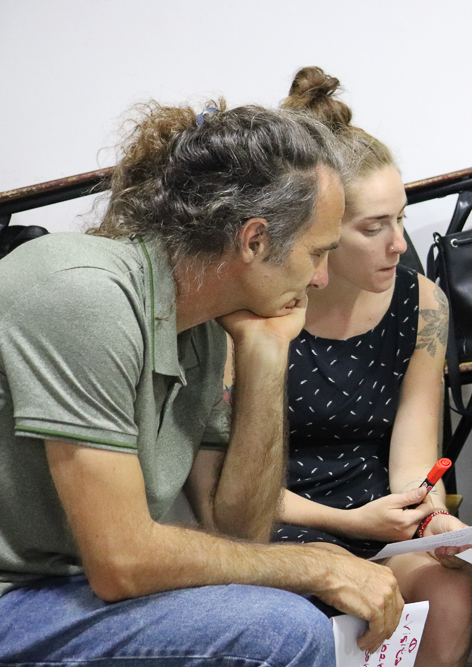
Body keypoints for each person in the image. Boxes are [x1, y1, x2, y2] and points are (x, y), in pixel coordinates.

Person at [0, 100, 406, 667]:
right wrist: (314, 564)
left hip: (63, 588)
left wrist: (265, 356)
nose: (319, 278)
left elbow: (238, 529)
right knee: (283, 630)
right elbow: (122, 562)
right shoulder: (84, 293)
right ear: (255, 240)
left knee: (281, 612)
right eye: (317, 253)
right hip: (16, 596)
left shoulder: (207, 326)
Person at [270, 67, 472, 667]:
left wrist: (431, 517)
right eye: (374, 227)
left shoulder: (422, 302)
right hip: (280, 523)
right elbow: (232, 494)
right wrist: (350, 523)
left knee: (451, 589)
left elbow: (414, 463)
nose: (399, 245)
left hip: (382, 519)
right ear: (321, 229)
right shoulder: (264, 308)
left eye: (401, 219)